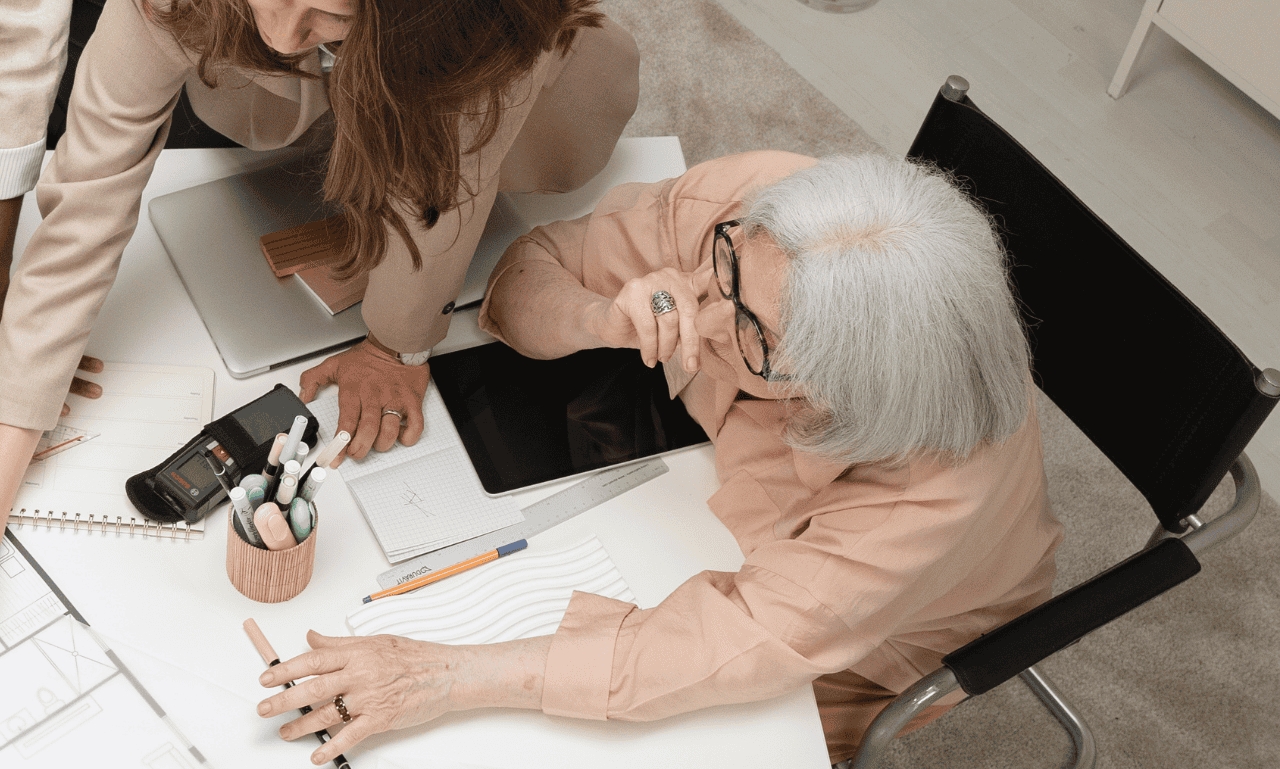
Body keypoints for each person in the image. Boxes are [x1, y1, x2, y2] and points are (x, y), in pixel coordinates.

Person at [253, 150, 1065, 766]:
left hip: (878, 637)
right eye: (723, 265)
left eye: (752, 334)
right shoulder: (761, 219)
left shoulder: (931, 487)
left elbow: (734, 643)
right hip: (707, 494)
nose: (699, 312)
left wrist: (441, 674)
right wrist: (602, 317)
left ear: (838, 386)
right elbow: (520, 281)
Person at [0, 0, 639, 530]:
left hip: (493, 84)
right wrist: (16, 403)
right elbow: (93, 179)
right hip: (309, 95)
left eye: (324, 12)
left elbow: (445, 182)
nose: (277, 37)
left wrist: (396, 345)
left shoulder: (481, 23)